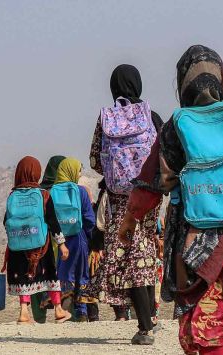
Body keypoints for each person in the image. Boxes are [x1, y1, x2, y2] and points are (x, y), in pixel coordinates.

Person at [118, 45, 223, 354]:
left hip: (193, 232)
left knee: (204, 320)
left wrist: (130, 219)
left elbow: (152, 180)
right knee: (221, 315)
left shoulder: (177, 125)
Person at [87, 64, 163, 343]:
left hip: (119, 199)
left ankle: (145, 325)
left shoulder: (106, 119)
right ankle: (148, 322)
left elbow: (95, 160)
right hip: (148, 195)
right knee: (143, 255)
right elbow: (165, 154)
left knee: (127, 256)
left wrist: (115, 174)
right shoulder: (151, 116)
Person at [4, 156, 71, 325]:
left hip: (18, 246)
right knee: (50, 275)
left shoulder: (13, 196)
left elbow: (6, 221)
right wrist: (61, 244)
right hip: (42, 245)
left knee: (23, 277)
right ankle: (58, 310)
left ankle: (24, 312)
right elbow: (52, 220)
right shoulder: (43, 195)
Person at [51, 157, 96, 322]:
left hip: (59, 239)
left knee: (64, 272)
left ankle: (65, 308)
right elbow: (90, 219)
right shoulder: (81, 191)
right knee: (81, 273)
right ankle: (82, 311)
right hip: (79, 237)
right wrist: (88, 236)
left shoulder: (52, 192)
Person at [28, 155, 66, 323]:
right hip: (63, 242)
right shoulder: (68, 191)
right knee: (62, 278)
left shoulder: (38, 193)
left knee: (38, 276)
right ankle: (66, 314)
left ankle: (39, 317)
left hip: (40, 242)